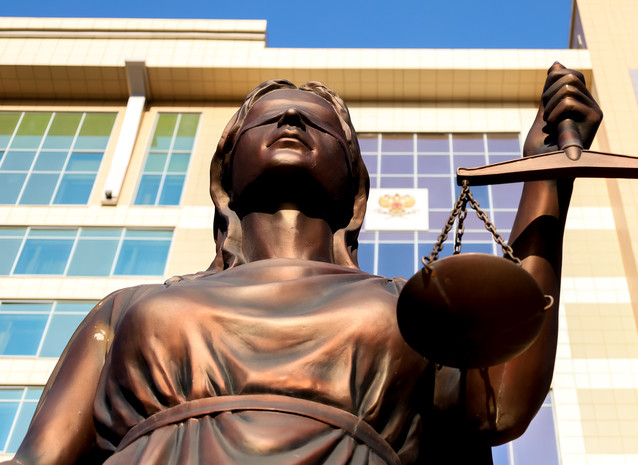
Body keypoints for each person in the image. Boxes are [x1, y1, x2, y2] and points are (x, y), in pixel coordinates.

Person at [3, 63, 601, 465]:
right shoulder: (128, 308)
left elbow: (500, 407)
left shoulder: (412, 304)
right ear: (225, 172)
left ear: (355, 183)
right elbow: (40, 458)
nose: (292, 121)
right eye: (271, 118)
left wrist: (547, 178)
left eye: (317, 123)